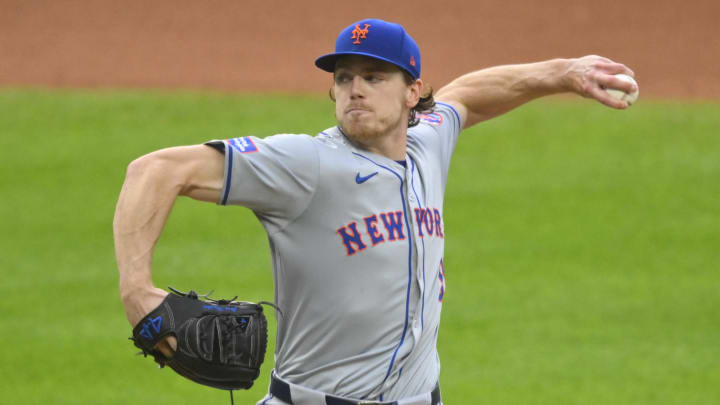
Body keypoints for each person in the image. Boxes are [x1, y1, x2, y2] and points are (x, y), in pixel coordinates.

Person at [114, 18, 636, 405]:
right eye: (344, 78)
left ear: (413, 93)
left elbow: (468, 97)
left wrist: (565, 73)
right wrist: (137, 291)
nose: (355, 89)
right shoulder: (307, 163)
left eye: (374, 76)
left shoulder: (428, 143)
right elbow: (155, 171)